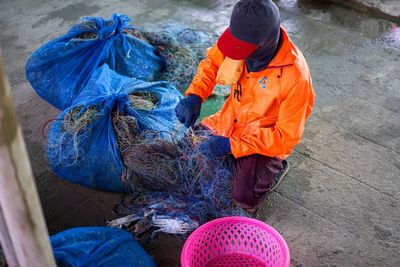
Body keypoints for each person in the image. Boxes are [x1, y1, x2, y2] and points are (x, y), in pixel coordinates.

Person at [175, 0, 315, 213]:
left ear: (265, 43)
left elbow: (285, 137)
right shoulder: (241, 34)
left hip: (264, 140)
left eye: (243, 50)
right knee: (186, 150)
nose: (236, 52)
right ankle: (240, 161)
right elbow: (212, 63)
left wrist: (232, 146)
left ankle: (274, 169)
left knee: (243, 196)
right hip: (230, 120)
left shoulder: (296, 77)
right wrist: (195, 95)